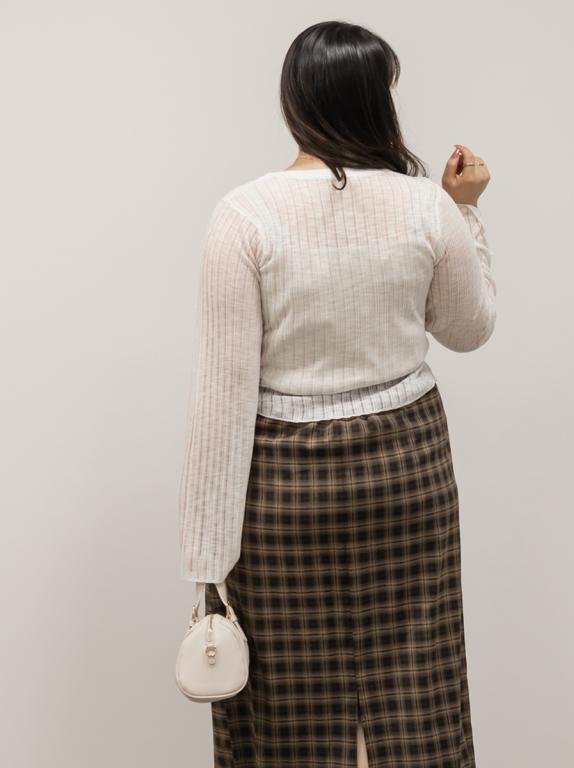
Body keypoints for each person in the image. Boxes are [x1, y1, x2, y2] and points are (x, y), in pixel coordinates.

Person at [178, 19, 496, 768]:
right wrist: (466, 209)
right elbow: (469, 328)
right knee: (417, 683)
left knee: (285, 701)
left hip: (285, 491)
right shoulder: (425, 206)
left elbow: (222, 398)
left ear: (295, 100)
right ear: (376, 101)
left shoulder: (244, 215)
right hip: (406, 474)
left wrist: (207, 567)